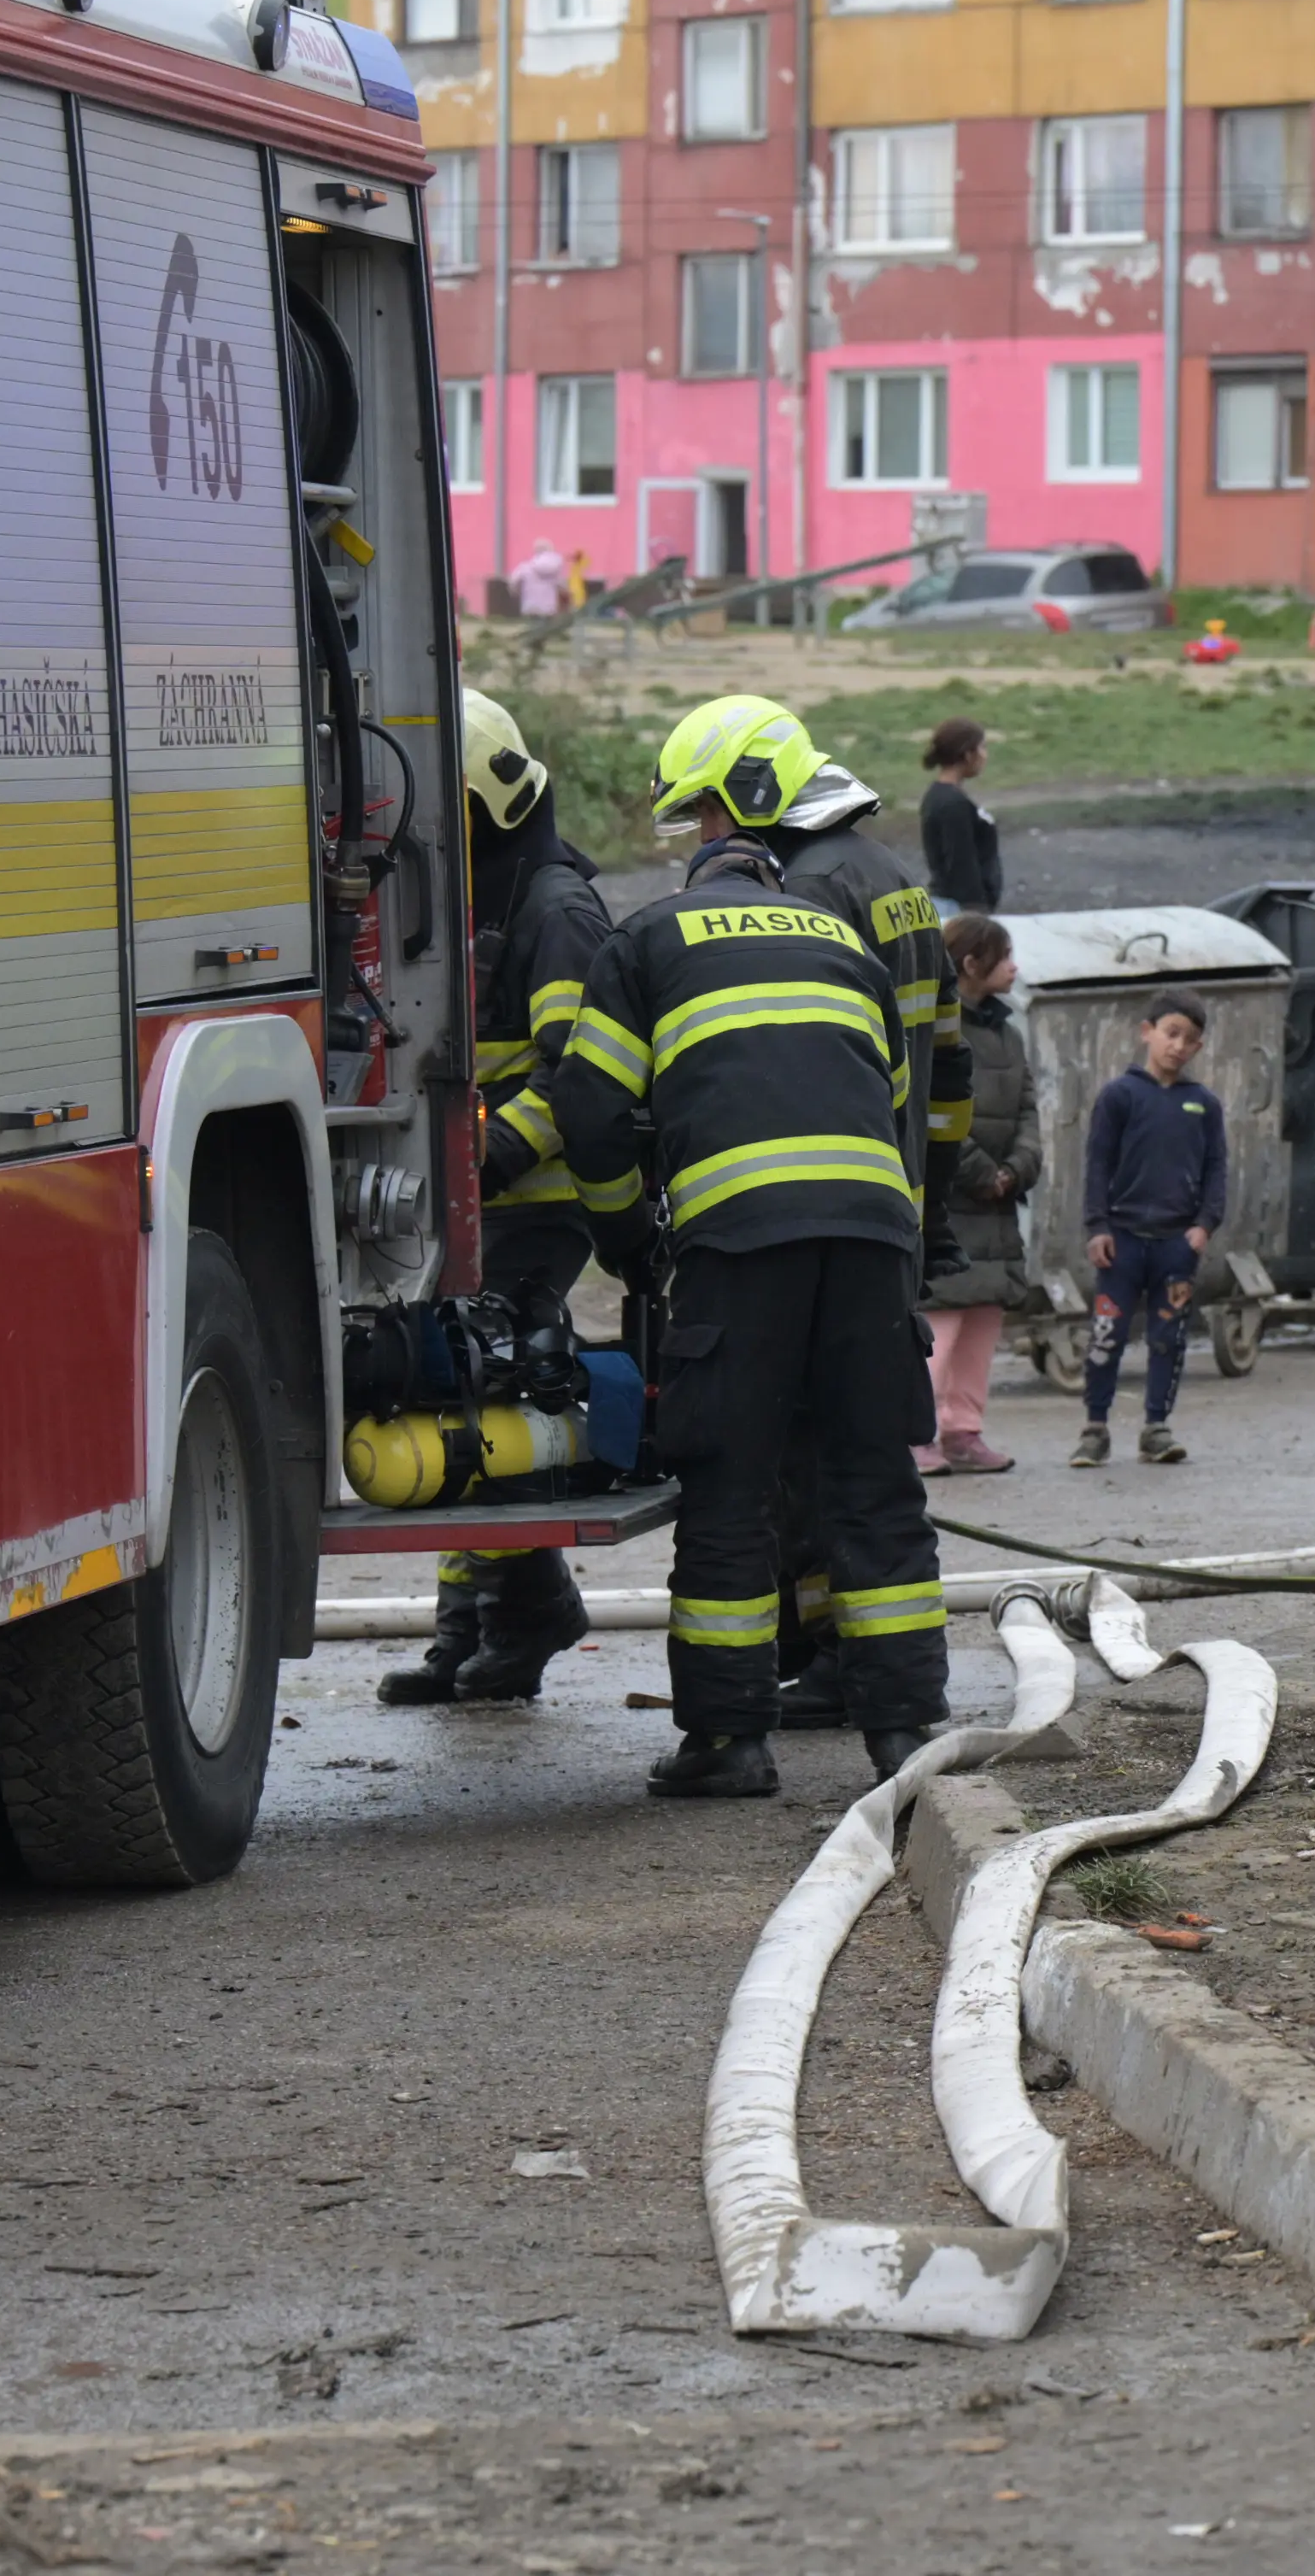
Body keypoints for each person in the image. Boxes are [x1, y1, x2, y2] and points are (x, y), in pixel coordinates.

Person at [503, 791, 948, 1799]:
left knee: (730, 1484)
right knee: (875, 1482)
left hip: (740, 1247)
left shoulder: (651, 937)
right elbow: (890, 1101)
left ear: (699, 866)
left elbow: (589, 1102)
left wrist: (626, 1239)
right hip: (874, 1238)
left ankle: (729, 1742)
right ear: (775, 882)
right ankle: (905, 1729)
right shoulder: (844, 942)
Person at [643, 695, 971, 1730]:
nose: (702, 838)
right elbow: (946, 1070)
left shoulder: (808, 890)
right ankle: (865, 1678)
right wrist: (935, 1202)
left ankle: (826, 1655)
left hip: (792, 1219)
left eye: (703, 814)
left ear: (746, 798)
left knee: (790, 1463)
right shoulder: (893, 879)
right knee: (862, 1457)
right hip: (885, 1206)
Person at [385, 690, 630, 1709]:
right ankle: (472, 1626)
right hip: (478, 1198)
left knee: (492, 1384)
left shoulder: (555, 909)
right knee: (448, 1393)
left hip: (538, 1195)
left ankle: (525, 1614)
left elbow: (575, 1077)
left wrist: (478, 1162)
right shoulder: (477, 891)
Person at [1071, 991, 1228, 1468]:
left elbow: (1216, 1168)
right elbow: (1098, 1163)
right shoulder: (1120, 1096)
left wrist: (1204, 1225)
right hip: (1122, 1241)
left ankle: (1156, 1427)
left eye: (1191, 1040)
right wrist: (1098, 1225)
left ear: (1199, 1049)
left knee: (1169, 1335)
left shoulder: (1203, 1104)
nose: (1178, 1046)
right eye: (1171, 1033)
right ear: (1148, 1032)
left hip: (1176, 1244)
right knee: (1107, 1333)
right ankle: (1095, 1428)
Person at [919, 914, 1034, 1476]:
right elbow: (931, 1111)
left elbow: (1030, 1111)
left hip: (998, 1205)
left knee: (984, 1321)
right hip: (952, 1202)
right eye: (1004, 955)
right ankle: (916, 1436)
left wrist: (1015, 1168)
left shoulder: (1009, 1034)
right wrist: (980, 1172)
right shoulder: (937, 1030)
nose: (1014, 967)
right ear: (970, 964)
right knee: (942, 1322)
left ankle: (963, 1430)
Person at [920, 718, 1003, 914]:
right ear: (968, 754)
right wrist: (976, 913)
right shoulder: (953, 804)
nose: (985, 756)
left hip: (951, 906)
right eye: (982, 747)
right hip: (958, 910)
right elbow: (960, 863)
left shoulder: (940, 796)